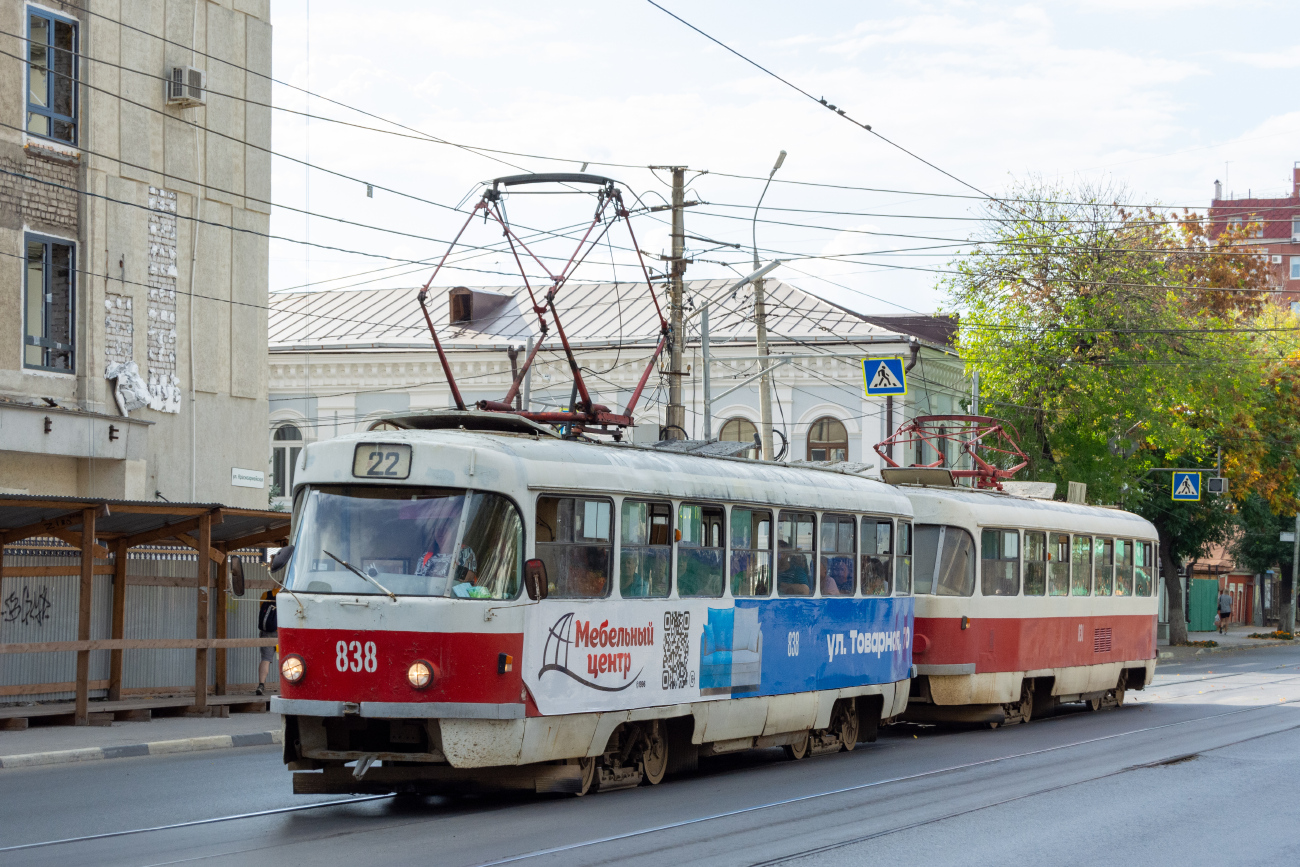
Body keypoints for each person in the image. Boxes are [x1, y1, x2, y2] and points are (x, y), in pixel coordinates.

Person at [257, 587, 278, 695]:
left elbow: (262, 609)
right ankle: (290, 684)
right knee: (289, 658)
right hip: (284, 632)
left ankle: (261, 684)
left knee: (265, 659)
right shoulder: (290, 594)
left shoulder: (266, 594)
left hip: (268, 633)